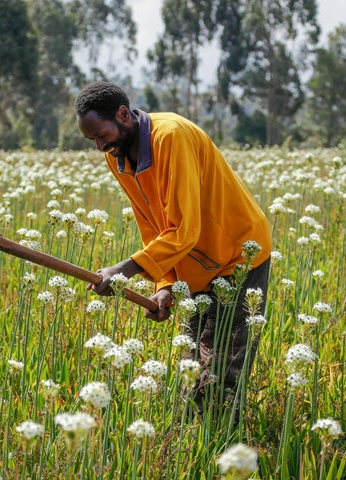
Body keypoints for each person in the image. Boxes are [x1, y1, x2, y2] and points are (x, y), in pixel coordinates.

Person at [75, 82, 272, 425]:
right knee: (192, 363)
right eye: (92, 140)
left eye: (101, 134)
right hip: (195, 262)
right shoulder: (117, 157)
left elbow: (184, 227)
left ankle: (224, 446)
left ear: (123, 114)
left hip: (238, 254)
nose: (99, 145)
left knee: (223, 365)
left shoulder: (171, 137)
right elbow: (153, 225)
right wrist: (165, 284)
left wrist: (124, 269)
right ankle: (195, 440)